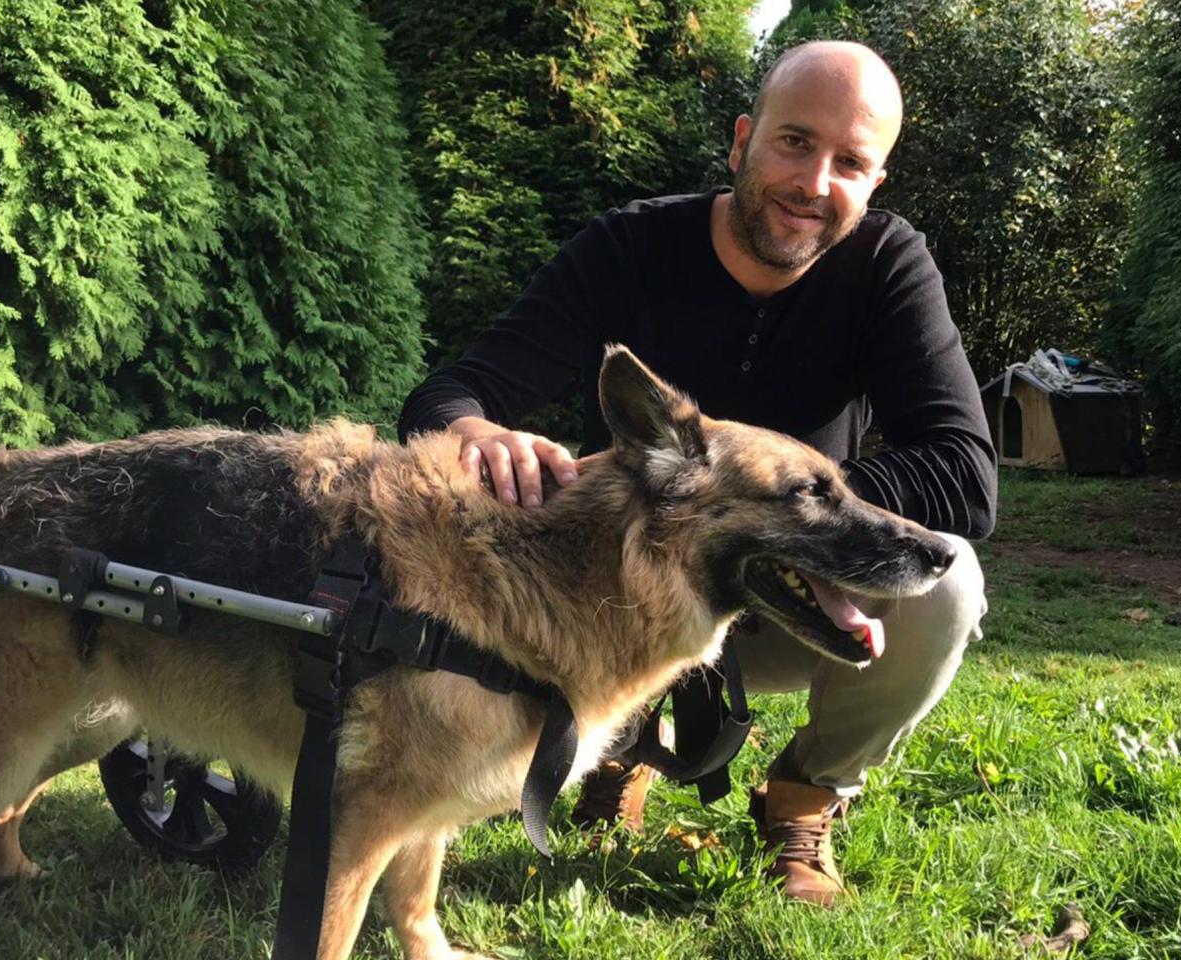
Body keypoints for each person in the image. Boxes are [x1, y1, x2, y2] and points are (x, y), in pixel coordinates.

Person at [397, 40, 994, 907]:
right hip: (633, 598)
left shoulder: (889, 266)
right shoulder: (630, 246)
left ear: (874, 183)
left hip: (796, 592)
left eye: (850, 163)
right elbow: (449, 392)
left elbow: (966, 476)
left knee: (949, 580)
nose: (815, 182)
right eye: (795, 143)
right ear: (743, 140)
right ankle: (614, 746)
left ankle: (805, 795)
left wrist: (783, 502)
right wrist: (475, 430)